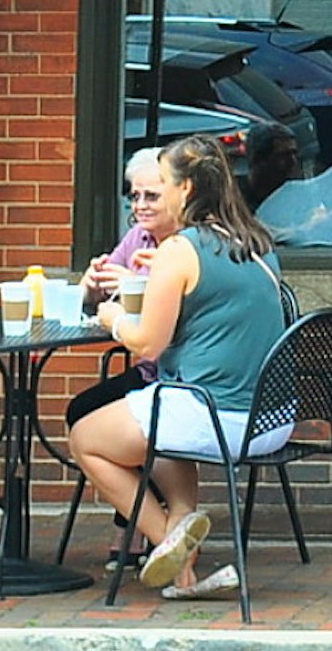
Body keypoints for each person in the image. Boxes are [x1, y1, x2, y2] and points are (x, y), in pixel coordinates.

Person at [66, 136, 290, 604]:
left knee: (86, 438)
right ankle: (184, 575)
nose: (154, 196)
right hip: (269, 419)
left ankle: (170, 543)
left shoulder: (180, 250)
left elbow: (147, 341)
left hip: (213, 415)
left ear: (186, 190)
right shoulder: (257, 242)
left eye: (162, 185)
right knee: (164, 439)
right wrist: (158, 275)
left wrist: (111, 317)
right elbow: (213, 302)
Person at [65, 148, 172, 428]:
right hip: (149, 370)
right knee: (81, 410)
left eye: (151, 196)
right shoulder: (139, 235)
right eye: (135, 196)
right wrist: (91, 285)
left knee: (88, 418)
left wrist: (134, 286)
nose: (140, 205)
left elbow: (185, 308)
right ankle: (143, 473)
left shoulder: (190, 244)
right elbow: (107, 283)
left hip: (179, 376)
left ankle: (145, 472)